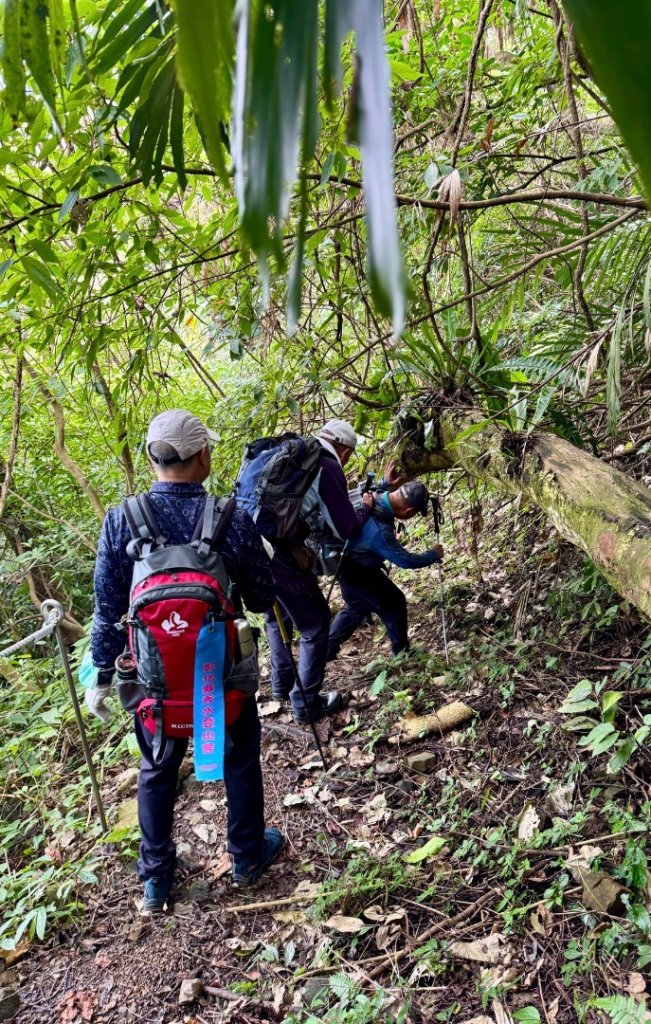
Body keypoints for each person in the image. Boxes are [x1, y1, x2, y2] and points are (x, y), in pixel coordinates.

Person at [84, 409, 284, 912]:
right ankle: (246, 858)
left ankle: (156, 881)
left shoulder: (121, 520)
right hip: (221, 677)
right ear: (202, 456)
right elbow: (261, 598)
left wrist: (102, 677)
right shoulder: (231, 516)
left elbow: (109, 609)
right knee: (239, 758)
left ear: (152, 457)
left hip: (154, 681)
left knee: (156, 768)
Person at [265, 419, 372, 724]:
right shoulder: (326, 465)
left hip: (254, 546)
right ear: (342, 447)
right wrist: (363, 507)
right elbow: (346, 527)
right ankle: (305, 704)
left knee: (277, 616)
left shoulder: (290, 457)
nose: (347, 459)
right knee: (315, 623)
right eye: (348, 453)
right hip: (284, 552)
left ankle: (280, 686)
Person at [327, 481, 444, 661]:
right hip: (358, 572)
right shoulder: (379, 531)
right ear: (409, 512)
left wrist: (386, 482)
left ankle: (325, 650)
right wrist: (433, 554)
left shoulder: (375, 494)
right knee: (394, 604)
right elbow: (405, 561)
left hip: (344, 565)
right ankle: (402, 654)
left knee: (355, 607)